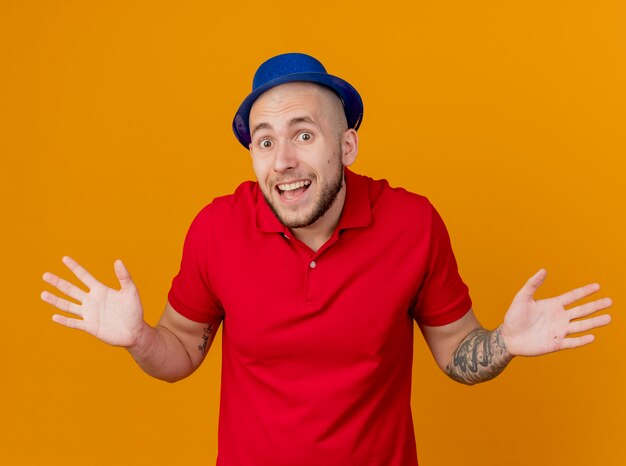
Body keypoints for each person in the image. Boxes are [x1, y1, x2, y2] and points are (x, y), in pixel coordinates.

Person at [41, 53, 612, 466]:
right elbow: (183, 349)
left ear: (347, 146)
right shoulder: (217, 228)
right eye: (264, 141)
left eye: (303, 134)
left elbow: (455, 350)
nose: (283, 159)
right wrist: (140, 337)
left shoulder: (412, 223)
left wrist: (504, 344)